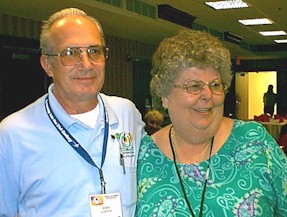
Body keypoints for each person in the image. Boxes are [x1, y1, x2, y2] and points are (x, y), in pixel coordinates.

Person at [0, 8, 146, 217]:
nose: (86, 65)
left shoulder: (126, 114)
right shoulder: (12, 135)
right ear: (47, 65)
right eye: (70, 53)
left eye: (94, 51)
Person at [136, 29, 287, 216]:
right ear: (164, 95)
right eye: (194, 86)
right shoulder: (143, 155)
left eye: (215, 85)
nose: (207, 95)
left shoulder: (255, 142)